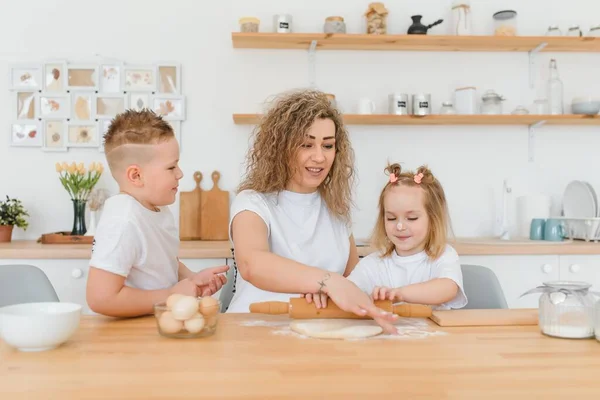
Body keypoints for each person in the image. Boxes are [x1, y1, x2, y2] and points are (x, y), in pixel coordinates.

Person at [228, 89, 397, 332]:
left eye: (328, 145)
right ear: (281, 148)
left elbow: (353, 279)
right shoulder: (252, 203)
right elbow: (253, 264)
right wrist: (328, 282)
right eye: (306, 144)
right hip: (253, 331)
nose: (319, 157)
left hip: (321, 331)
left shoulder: (335, 209)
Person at [86, 109, 229, 317]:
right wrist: (171, 294)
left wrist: (192, 280)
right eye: (171, 167)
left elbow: (162, 261)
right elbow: (101, 298)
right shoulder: (123, 221)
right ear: (136, 175)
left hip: (157, 324)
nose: (180, 174)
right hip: (129, 336)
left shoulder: (157, 209)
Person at [348, 163, 468, 310]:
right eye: (391, 218)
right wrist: (323, 291)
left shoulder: (443, 255)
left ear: (433, 218)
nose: (400, 226)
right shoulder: (372, 264)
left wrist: (400, 294)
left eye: (411, 218)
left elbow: (448, 288)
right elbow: (345, 291)